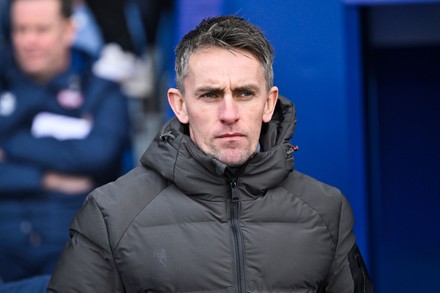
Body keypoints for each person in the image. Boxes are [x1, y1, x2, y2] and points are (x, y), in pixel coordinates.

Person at [48, 15, 374, 292]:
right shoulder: (111, 214)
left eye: (245, 93)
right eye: (210, 94)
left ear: (269, 103)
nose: (229, 113)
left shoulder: (326, 209)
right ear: (180, 105)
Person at [0, 0, 130, 282]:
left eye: (41, 29)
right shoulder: (4, 84)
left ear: (70, 29)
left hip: (75, 246)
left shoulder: (99, 88)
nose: (28, 41)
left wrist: (9, 146)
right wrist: (48, 179)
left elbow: (98, 155)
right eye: (20, 30)